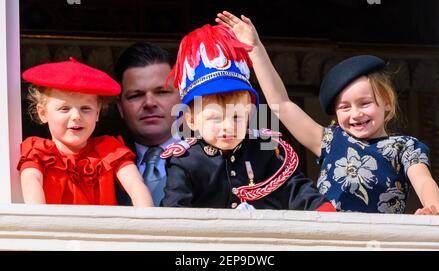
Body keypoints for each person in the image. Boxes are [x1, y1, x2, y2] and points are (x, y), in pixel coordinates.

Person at [215, 11, 439, 215]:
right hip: (330, 236)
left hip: (379, 239)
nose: (355, 114)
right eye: (344, 107)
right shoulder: (330, 140)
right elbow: (282, 105)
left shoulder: (405, 147)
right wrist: (256, 50)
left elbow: (423, 180)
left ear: (386, 101)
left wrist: (433, 208)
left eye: (364, 103)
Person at [160, 23, 335, 212]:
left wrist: (321, 209)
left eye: (236, 117)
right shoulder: (185, 160)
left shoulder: (264, 148)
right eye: (215, 119)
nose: (228, 127)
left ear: (250, 113)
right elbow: (174, 210)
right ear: (191, 120)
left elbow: (294, 187)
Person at [18, 57, 153, 207]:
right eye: (64, 109)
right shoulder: (37, 151)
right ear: (43, 113)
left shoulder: (110, 150)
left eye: (85, 108)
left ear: (97, 112)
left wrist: (147, 220)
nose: (76, 116)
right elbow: (31, 183)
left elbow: (135, 184)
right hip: (53, 229)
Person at [114, 43, 181, 206]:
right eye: (136, 95)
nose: (149, 103)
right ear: (120, 108)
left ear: (183, 98)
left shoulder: (215, 157)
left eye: (162, 92)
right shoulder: (103, 165)